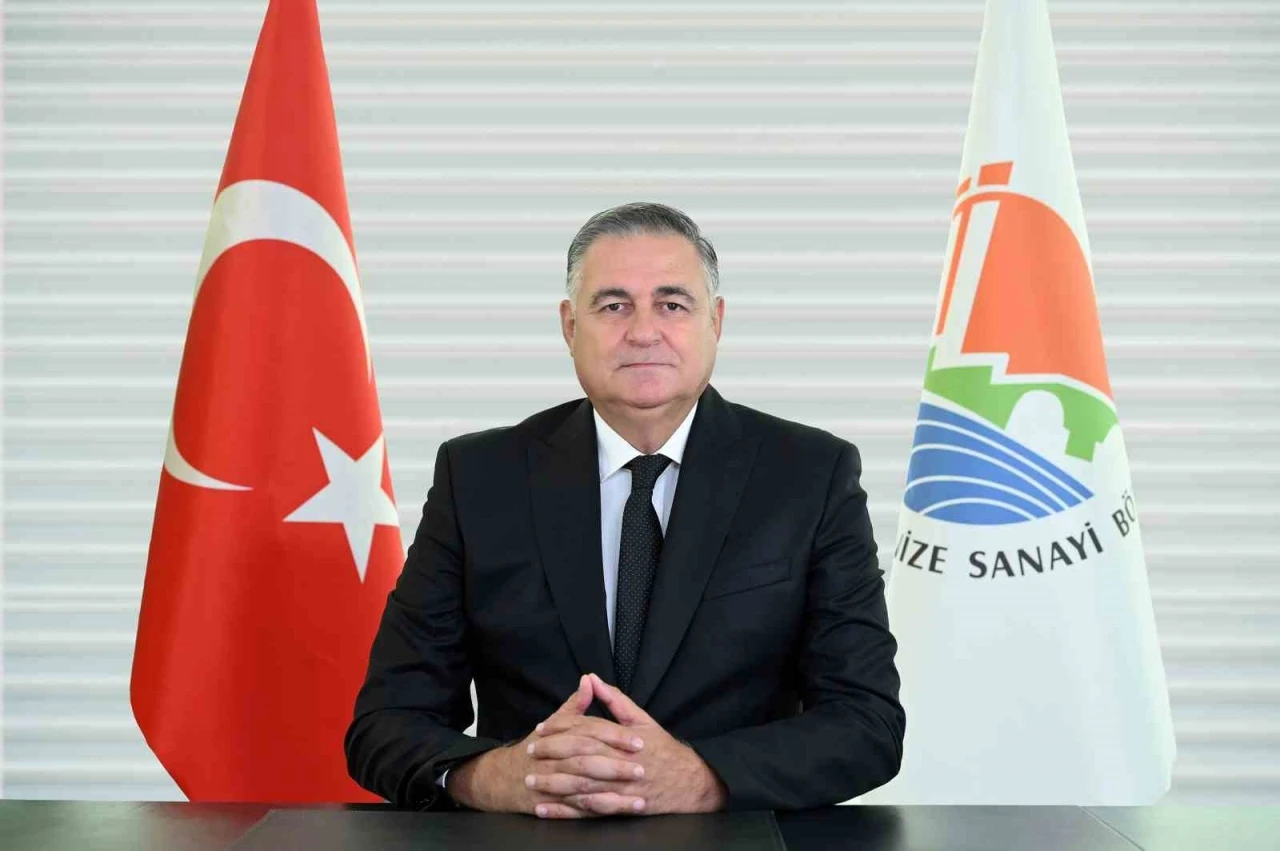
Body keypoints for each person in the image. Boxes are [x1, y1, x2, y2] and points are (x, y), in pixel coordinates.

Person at [345, 202, 904, 817]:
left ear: (715, 321)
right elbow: (386, 724)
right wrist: (495, 777)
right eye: (613, 306)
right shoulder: (479, 477)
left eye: (672, 304)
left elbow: (867, 723)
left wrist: (701, 779)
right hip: (531, 837)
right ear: (569, 326)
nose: (643, 332)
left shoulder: (810, 475)